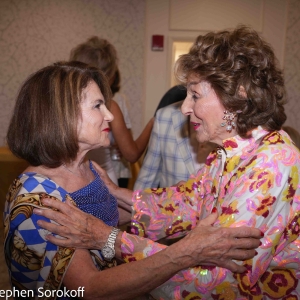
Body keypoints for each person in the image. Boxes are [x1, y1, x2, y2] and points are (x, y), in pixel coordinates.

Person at [36, 25, 300, 299]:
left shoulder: (272, 163)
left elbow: (216, 280)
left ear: (239, 96)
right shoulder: (228, 152)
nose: (185, 107)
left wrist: (107, 238)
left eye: (195, 95)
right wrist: (118, 195)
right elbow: (188, 201)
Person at [3, 61, 262, 299]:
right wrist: (184, 252)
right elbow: (90, 288)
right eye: (97, 106)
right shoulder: (40, 199)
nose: (110, 116)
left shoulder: (87, 167)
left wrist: (115, 217)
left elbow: (104, 216)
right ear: (61, 115)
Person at [70, 36, 154, 187]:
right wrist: (153, 123)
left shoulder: (64, 103)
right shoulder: (110, 105)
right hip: (104, 178)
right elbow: (131, 154)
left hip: (71, 179)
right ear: (107, 76)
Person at [134, 100, 216, 190]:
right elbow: (146, 180)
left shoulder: (229, 122)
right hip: (169, 203)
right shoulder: (165, 116)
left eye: (195, 94)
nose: (184, 107)